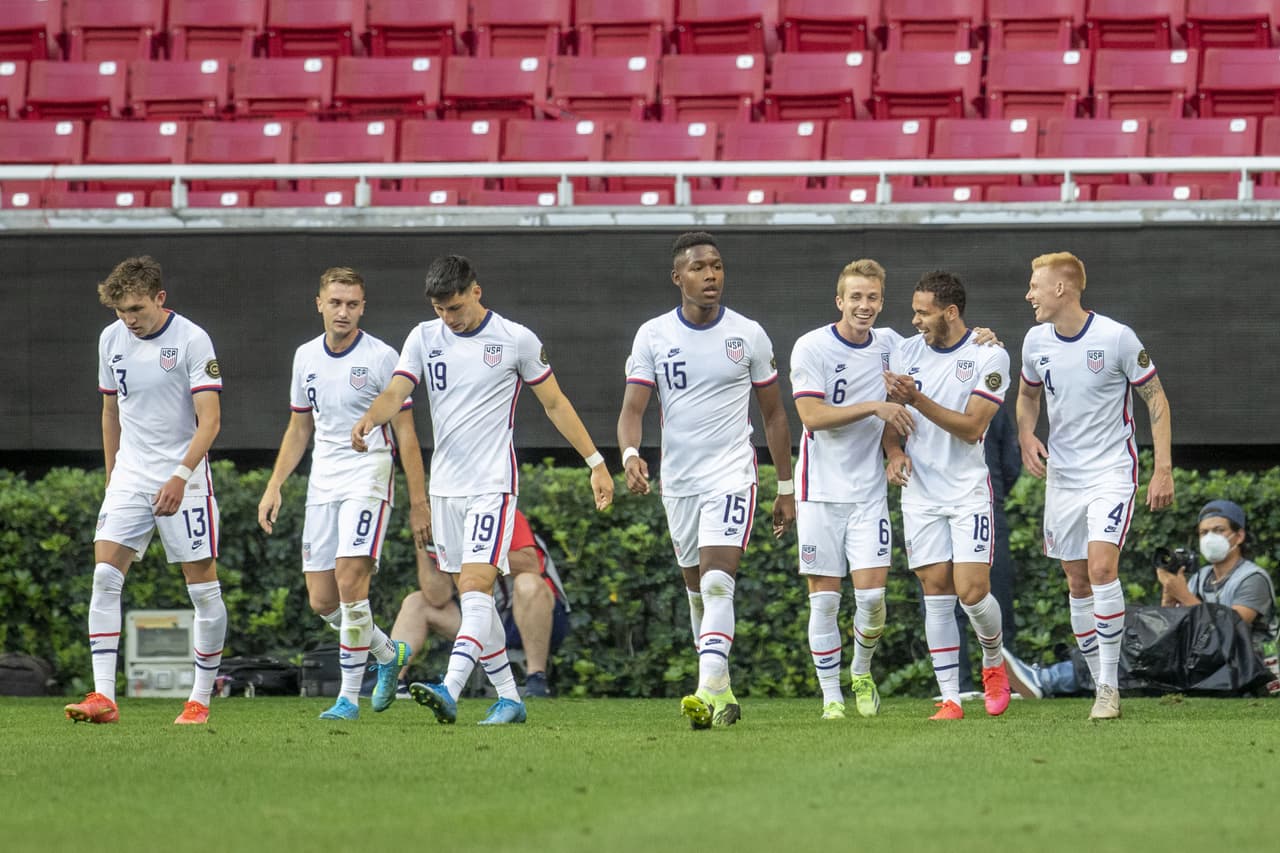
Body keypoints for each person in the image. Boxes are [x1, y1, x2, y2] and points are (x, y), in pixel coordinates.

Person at [352, 254, 612, 726]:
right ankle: (510, 699)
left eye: (454, 307)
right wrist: (372, 417)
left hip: (493, 484)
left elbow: (555, 403)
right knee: (473, 599)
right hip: (445, 490)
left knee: (475, 587)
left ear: (476, 291)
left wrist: (596, 462)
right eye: (440, 310)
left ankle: (449, 687)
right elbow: (397, 391)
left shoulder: (515, 339)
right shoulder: (423, 337)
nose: (448, 318)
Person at [617, 231, 795, 730]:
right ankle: (720, 690)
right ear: (678, 277)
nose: (710, 275)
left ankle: (702, 687)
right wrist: (629, 454)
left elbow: (775, 415)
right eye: (698, 267)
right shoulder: (653, 335)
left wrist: (785, 487)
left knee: (718, 582)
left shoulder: (748, 334)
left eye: (716, 265)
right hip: (679, 482)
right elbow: (632, 409)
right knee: (697, 593)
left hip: (731, 474)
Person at [256, 267, 430, 720]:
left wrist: (419, 502)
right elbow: (299, 428)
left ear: (363, 308)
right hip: (323, 481)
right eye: (335, 302)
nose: (343, 312)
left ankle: (348, 698)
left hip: (368, 476)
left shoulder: (382, 357)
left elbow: (406, 434)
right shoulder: (305, 357)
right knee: (323, 600)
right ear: (319, 303)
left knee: (350, 580)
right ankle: (388, 653)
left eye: (352, 304)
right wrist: (274, 485)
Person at [65, 256, 227, 726]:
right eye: (120, 311)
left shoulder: (192, 339)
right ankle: (103, 697)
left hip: (184, 476)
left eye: (136, 309)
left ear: (160, 298)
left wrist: (180, 475)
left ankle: (199, 700)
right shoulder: (111, 338)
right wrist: (112, 476)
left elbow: (211, 421)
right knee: (104, 576)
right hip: (130, 476)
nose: (128, 319)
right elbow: (110, 412)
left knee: (203, 589)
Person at [1016, 251, 1174, 720]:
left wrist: (1162, 468)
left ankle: (1109, 687)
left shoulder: (1116, 337)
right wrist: (1026, 434)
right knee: (1077, 578)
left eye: (1035, 286)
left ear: (1061, 288)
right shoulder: (1034, 341)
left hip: (1111, 472)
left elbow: (1156, 399)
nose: (1028, 295)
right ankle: (1097, 678)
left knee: (1103, 568)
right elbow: (1026, 395)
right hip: (1063, 478)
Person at [883, 270, 1013, 721]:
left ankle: (993, 661)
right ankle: (950, 698)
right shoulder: (904, 350)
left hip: (966, 491)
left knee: (972, 593)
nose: (915, 320)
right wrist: (894, 451)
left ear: (951, 312)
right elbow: (891, 415)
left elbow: (973, 428)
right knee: (935, 591)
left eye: (923, 312)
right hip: (920, 491)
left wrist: (917, 399)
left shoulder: (989, 355)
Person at [788, 259, 913, 720]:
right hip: (819, 492)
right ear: (839, 301)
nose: (864, 305)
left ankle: (861, 671)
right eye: (856, 297)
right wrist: (874, 406)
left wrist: (894, 450)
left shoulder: (892, 345)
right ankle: (831, 698)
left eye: (872, 297)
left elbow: (940, 347)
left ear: (881, 301)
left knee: (873, 599)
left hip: (867, 494)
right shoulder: (812, 346)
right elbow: (811, 416)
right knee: (824, 601)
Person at [1004, 499, 1277, 698]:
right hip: (1205, 661)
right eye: (1204, 533)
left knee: (1135, 650)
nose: (1209, 538)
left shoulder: (1251, 578)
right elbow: (1180, 623)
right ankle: (1050, 679)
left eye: (1218, 530)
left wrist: (1183, 594)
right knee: (1134, 633)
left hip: (1242, 664)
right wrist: (1170, 593)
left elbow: (1233, 627)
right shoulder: (1202, 576)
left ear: (1239, 535)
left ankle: (1046, 679)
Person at [390, 509, 571, 698]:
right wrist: (422, 544)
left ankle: (537, 679)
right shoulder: (444, 524)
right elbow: (438, 597)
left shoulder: (500, 509)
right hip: (480, 615)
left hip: (539, 616)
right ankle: (391, 682)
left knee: (527, 583)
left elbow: (531, 564)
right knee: (416, 602)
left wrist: (477, 554)